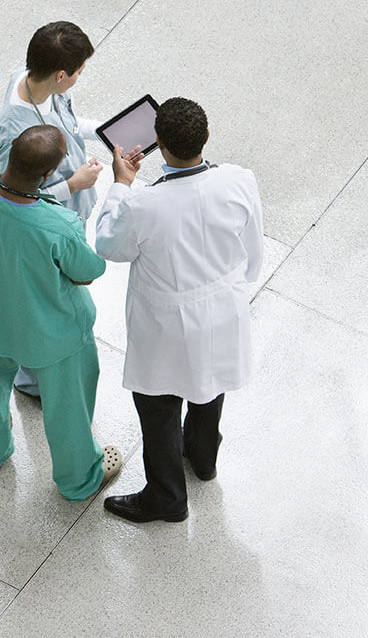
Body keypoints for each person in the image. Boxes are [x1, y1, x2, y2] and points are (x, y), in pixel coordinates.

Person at [95, 97, 263, 523]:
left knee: (159, 408)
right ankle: (203, 459)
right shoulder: (240, 181)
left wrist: (120, 184)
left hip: (166, 327)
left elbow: (108, 246)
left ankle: (168, 498)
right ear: (206, 137)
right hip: (224, 311)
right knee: (211, 384)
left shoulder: (144, 205)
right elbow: (253, 251)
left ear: (157, 143)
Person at [0, 124, 121, 502]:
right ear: (46, 176)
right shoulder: (58, 226)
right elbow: (89, 271)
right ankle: (80, 477)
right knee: (67, 405)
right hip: (51, 337)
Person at [0, 21, 103, 397]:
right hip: (45, 222)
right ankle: (34, 381)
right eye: (77, 72)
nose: (78, 78)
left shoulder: (41, 87)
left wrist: (107, 130)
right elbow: (16, 194)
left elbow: (68, 124)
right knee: (43, 298)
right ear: (60, 75)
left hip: (71, 210)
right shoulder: (13, 130)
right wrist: (73, 184)